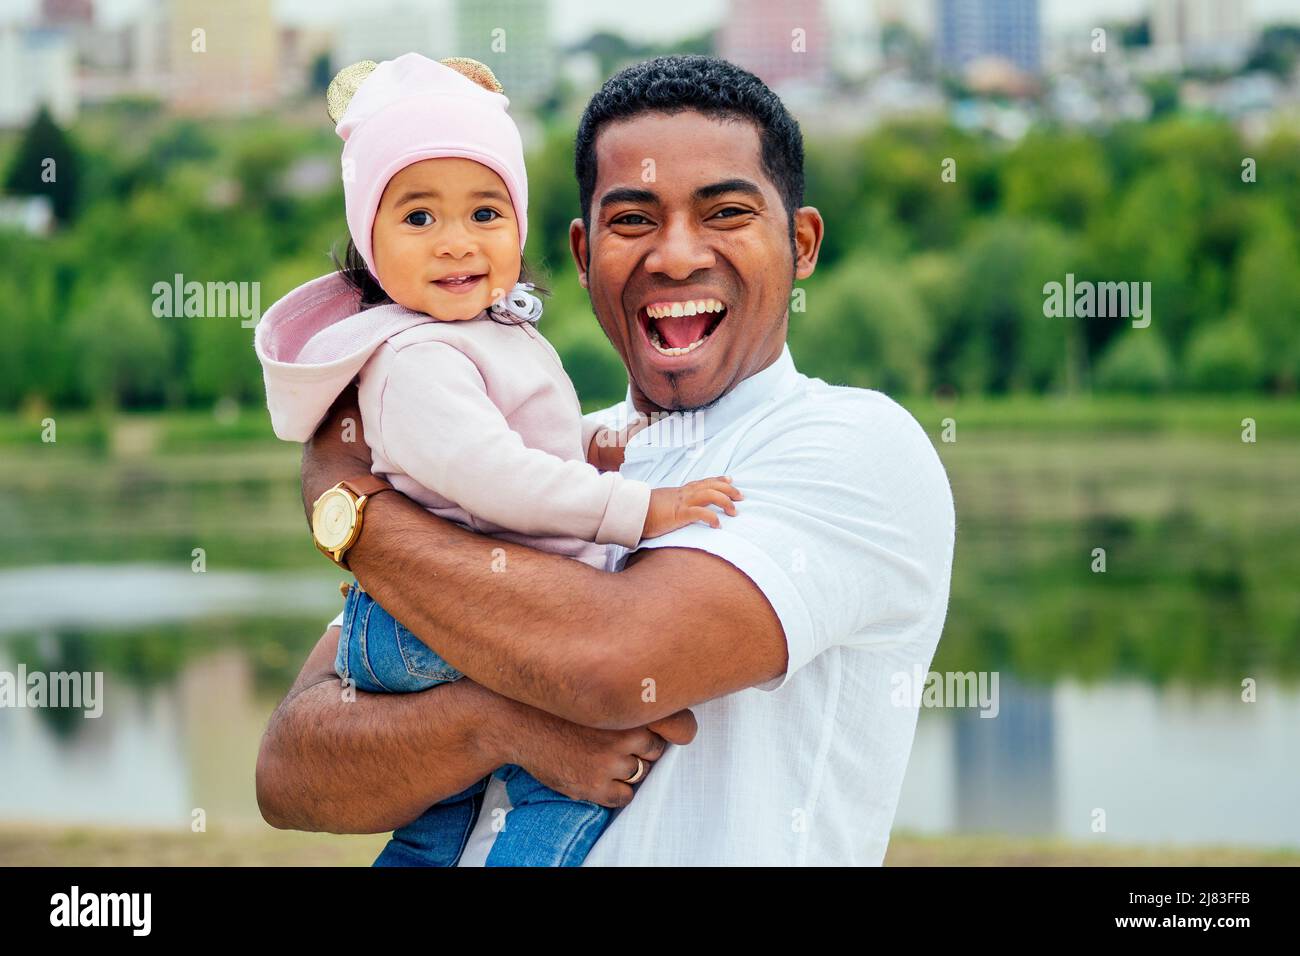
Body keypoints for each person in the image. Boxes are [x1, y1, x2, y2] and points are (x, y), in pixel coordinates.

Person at [256, 54, 956, 866]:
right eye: (633, 220)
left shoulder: (853, 448)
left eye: (725, 212)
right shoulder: (528, 454)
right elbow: (289, 771)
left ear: (800, 243)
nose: (677, 256)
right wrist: (495, 725)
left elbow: (614, 666)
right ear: (583, 255)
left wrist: (350, 510)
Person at [254, 53, 740, 866]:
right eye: (417, 219)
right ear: (367, 241)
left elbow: (513, 447)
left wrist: (593, 442)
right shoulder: (417, 358)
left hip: (417, 615)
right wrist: (638, 508)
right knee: (576, 749)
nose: (456, 244)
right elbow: (495, 479)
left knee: (437, 817)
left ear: (520, 226)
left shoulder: (481, 335)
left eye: (485, 213)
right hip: (422, 627)